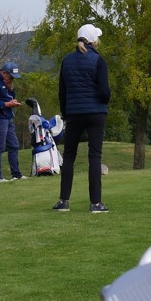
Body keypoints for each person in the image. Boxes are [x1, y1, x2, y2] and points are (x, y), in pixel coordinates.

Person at [53, 23, 111, 213]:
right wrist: (103, 101)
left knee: (69, 156)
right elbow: (104, 91)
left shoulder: (67, 61)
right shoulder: (98, 60)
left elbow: (62, 91)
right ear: (94, 40)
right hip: (95, 113)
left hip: (74, 114)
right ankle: (96, 203)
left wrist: (66, 111)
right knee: (94, 156)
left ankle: (63, 201)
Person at [0, 62, 24, 182]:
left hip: (7, 117)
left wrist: (11, 90)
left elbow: (10, 96)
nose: (12, 79)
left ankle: (16, 174)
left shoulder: (6, 82)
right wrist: (7, 104)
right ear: (4, 73)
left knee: (14, 145)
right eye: (10, 76)